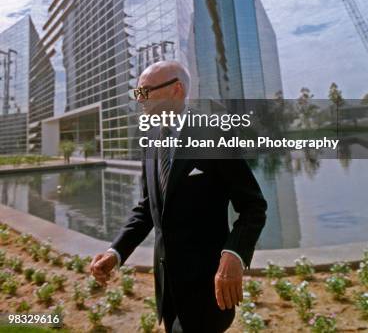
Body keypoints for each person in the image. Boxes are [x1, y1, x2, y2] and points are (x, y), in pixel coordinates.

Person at [90, 60, 267, 332]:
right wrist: (116, 252)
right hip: (168, 289)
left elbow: (253, 206)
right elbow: (148, 207)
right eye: (137, 94)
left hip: (207, 289)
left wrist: (234, 253)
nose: (140, 100)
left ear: (177, 90)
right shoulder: (149, 139)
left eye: (145, 92)